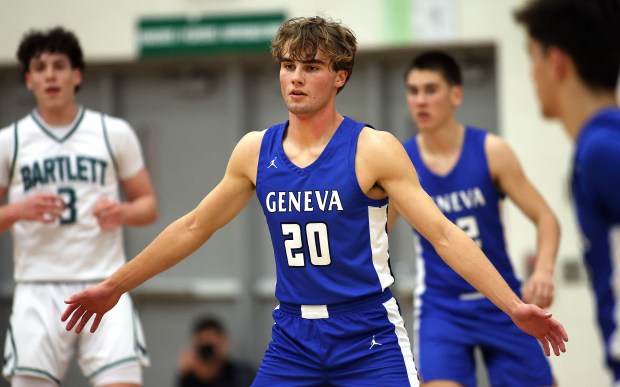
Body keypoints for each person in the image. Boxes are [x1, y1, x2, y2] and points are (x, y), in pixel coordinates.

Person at [61, 16, 568, 387]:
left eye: (310, 66)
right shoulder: (255, 150)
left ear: (340, 76)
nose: (296, 77)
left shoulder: (373, 148)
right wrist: (113, 286)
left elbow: (443, 234)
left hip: (367, 332)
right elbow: (194, 226)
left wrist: (513, 305)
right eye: (287, 66)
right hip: (294, 336)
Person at [388, 50, 561, 387]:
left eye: (430, 89)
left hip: (502, 302)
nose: (420, 100)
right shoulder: (400, 162)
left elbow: (546, 218)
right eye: (413, 90)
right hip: (443, 309)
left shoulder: (491, 151)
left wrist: (544, 269)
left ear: (456, 94)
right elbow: (374, 237)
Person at [0, 27, 158, 387]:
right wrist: (16, 211)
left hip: (104, 281)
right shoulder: (9, 141)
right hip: (37, 286)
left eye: (59, 65)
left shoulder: (112, 132)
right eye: (40, 68)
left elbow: (148, 206)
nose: (50, 75)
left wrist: (122, 212)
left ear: (77, 74)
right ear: (28, 80)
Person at [514, 0, 620, 384]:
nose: (531, 74)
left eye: (531, 57)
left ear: (555, 63)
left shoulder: (603, 151)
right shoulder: (595, 148)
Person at [176, 315, 257, 387]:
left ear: (225, 342)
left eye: (211, 346)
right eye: (203, 347)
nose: (208, 352)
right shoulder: (191, 377)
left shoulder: (242, 375)